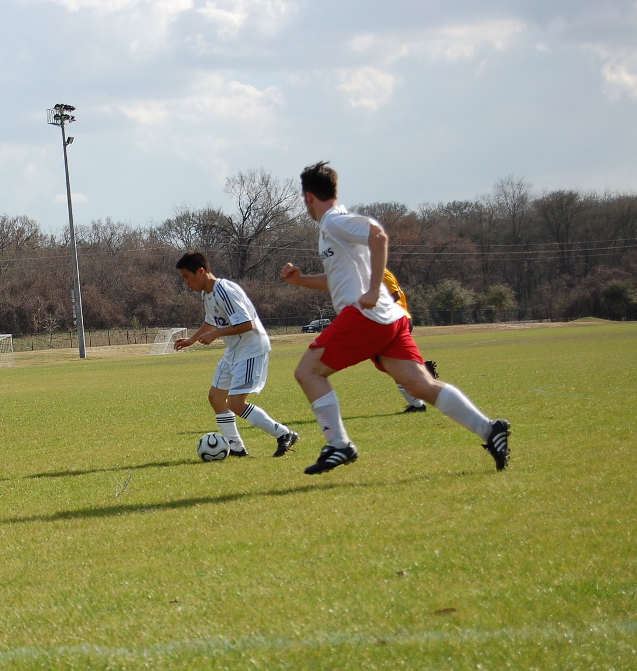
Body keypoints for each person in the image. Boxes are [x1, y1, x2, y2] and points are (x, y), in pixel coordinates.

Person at [280, 162, 510, 474]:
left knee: (308, 372)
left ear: (308, 197)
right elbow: (340, 279)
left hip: (366, 316)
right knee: (420, 384)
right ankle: (489, 429)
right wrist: (302, 280)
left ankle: (338, 444)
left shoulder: (334, 220)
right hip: (389, 317)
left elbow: (379, 235)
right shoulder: (332, 228)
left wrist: (374, 290)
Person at [174, 252, 299, 458]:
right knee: (216, 397)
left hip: (251, 349)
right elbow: (211, 320)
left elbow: (246, 323)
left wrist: (216, 334)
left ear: (201, 271)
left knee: (235, 403)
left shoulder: (224, 290)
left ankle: (284, 433)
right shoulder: (207, 293)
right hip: (235, 351)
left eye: (186, 277)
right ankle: (237, 448)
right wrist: (192, 339)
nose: (186, 282)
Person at [382, 268, 438, 413]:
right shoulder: (366, 271)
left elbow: (394, 294)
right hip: (389, 321)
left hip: (396, 319)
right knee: (390, 362)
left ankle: (419, 376)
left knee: (390, 362)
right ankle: (417, 397)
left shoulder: (379, 270)